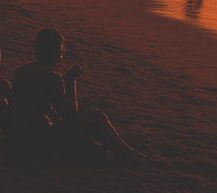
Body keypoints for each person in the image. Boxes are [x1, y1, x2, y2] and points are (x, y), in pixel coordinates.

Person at [9, 29, 146, 160]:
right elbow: (70, 115)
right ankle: (127, 152)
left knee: (95, 145)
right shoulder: (52, 78)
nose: (60, 57)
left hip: (16, 134)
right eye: (60, 53)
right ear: (51, 53)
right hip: (36, 138)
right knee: (95, 115)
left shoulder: (21, 71)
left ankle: (118, 151)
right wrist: (70, 81)